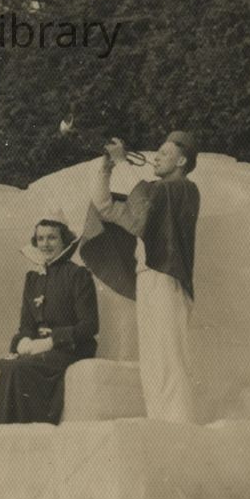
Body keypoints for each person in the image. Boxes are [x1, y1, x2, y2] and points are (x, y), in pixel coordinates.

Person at [83, 131, 205, 422]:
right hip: (148, 277)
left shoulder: (184, 190)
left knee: (169, 355)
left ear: (182, 161)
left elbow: (143, 201)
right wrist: (106, 169)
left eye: (164, 153)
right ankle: (160, 421)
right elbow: (105, 207)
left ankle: (179, 423)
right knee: (151, 358)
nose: (157, 158)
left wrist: (122, 162)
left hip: (167, 277)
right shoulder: (154, 197)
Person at [0, 218, 100, 426]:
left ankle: (23, 436)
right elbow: (26, 325)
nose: (45, 244)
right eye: (40, 238)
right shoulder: (33, 279)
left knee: (17, 370)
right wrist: (24, 341)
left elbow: (89, 325)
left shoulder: (78, 275)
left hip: (69, 349)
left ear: (64, 240)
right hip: (38, 350)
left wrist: (52, 341)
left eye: (52, 238)